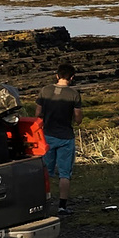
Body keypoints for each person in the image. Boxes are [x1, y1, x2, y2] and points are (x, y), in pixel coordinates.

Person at [36, 64, 80, 213]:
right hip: (66, 136)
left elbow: (38, 113)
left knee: (45, 172)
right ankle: (62, 206)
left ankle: (42, 203)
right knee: (64, 173)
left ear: (57, 75)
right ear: (72, 77)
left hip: (47, 135)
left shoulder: (45, 90)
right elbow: (78, 118)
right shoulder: (74, 94)